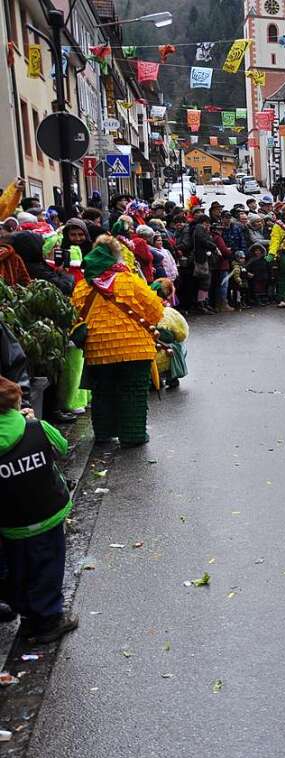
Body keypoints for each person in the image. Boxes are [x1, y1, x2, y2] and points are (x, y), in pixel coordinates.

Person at [0, 377, 78, 643]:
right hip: (47, 512)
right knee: (48, 565)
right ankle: (49, 619)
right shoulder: (37, 428)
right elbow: (63, 446)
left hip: (11, 523)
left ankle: (29, 614)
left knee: (18, 567)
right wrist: (31, 420)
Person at [71, 235, 165, 446]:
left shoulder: (82, 287)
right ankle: (133, 436)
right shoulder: (130, 280)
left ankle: (104, 434)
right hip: (135, 348)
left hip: (98, 350)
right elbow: (156, 311)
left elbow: (74, 314)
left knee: (102, 392)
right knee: (133, 392)